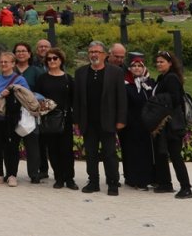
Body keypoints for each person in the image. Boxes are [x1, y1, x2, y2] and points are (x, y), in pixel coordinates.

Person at [73, 41, 127, 196]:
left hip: (108, 120)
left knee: (109, 153)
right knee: (91, 153)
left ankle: (112, 182)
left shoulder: (115, 72)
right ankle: (93, 182)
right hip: (88, 121)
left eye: (97, 52)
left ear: (105, 55)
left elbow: (121, 98)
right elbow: (77, 98)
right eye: (91, 52)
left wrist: (121, 119)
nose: (94, 55)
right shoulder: (81, 72)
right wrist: (76, 120)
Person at [0, 52, 31, 187]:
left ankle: (12, 175)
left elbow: (27, 98)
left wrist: (11, 94)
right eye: (1, 62)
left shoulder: (19, 80)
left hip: (12, 118)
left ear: (13, 64)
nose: (3, 64)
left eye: (6, 62)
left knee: (12, 147)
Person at [151, 51, 192, 199]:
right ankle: (165, 183)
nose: (158, 64)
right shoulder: (162, 78)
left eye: (162, 61)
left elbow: (175, 100)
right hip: (163, 122)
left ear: (170, 63)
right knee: (162, 153)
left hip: (172, 123)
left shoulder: (171, 78)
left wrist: (158, 106)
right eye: (157, 62)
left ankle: (186, 187)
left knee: (175, 155)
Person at [35, 47, 77, 190]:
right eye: (49, 59)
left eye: (55, 58)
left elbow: (74, 99)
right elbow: (37, 97)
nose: (52, 61)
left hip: (65, 118)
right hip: (49, 118)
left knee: (66, 150)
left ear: (61, 60)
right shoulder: (42, 78)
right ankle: (58, 177)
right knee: (53, 150)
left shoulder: (68, 78)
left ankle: (69, 178)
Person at [121, 54, 155, 190]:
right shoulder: (126, 84)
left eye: (139, 66)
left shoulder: (149, 83)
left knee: (146, 153)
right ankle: (133, 179)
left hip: (146, 125)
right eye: (134, 66)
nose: (136, 68)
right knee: (132, 152)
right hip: (131, 125)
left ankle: (147, 178)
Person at [12, 42, 44, 182]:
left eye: (24, 51)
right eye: (18, 51)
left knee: (32, 144)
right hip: (13, 112)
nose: (20, 53)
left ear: (29, 54)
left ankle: (34, 173)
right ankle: (12, 173)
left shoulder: (36, 71)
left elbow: (42, 92)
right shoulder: (10, 70)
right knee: (12, 144)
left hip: (30, 112)